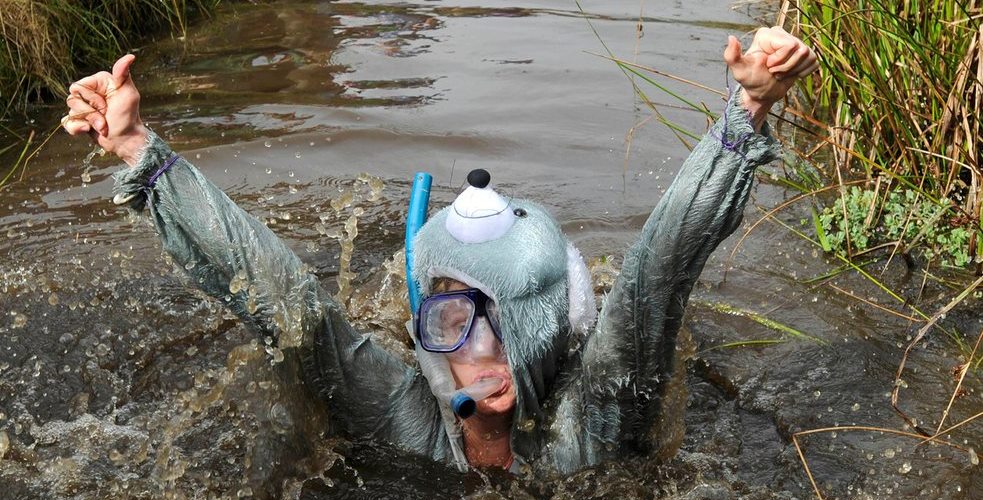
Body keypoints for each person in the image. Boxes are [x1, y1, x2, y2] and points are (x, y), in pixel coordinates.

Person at [62, 28, 817, 475]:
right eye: (453, 319)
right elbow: (275, 293)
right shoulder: (402, 418)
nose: (480, 351)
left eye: (499, 318)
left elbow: (660, 267)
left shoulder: (593, 416)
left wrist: (746, 108)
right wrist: (139, 151)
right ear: (425, 332)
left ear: (551, 322)